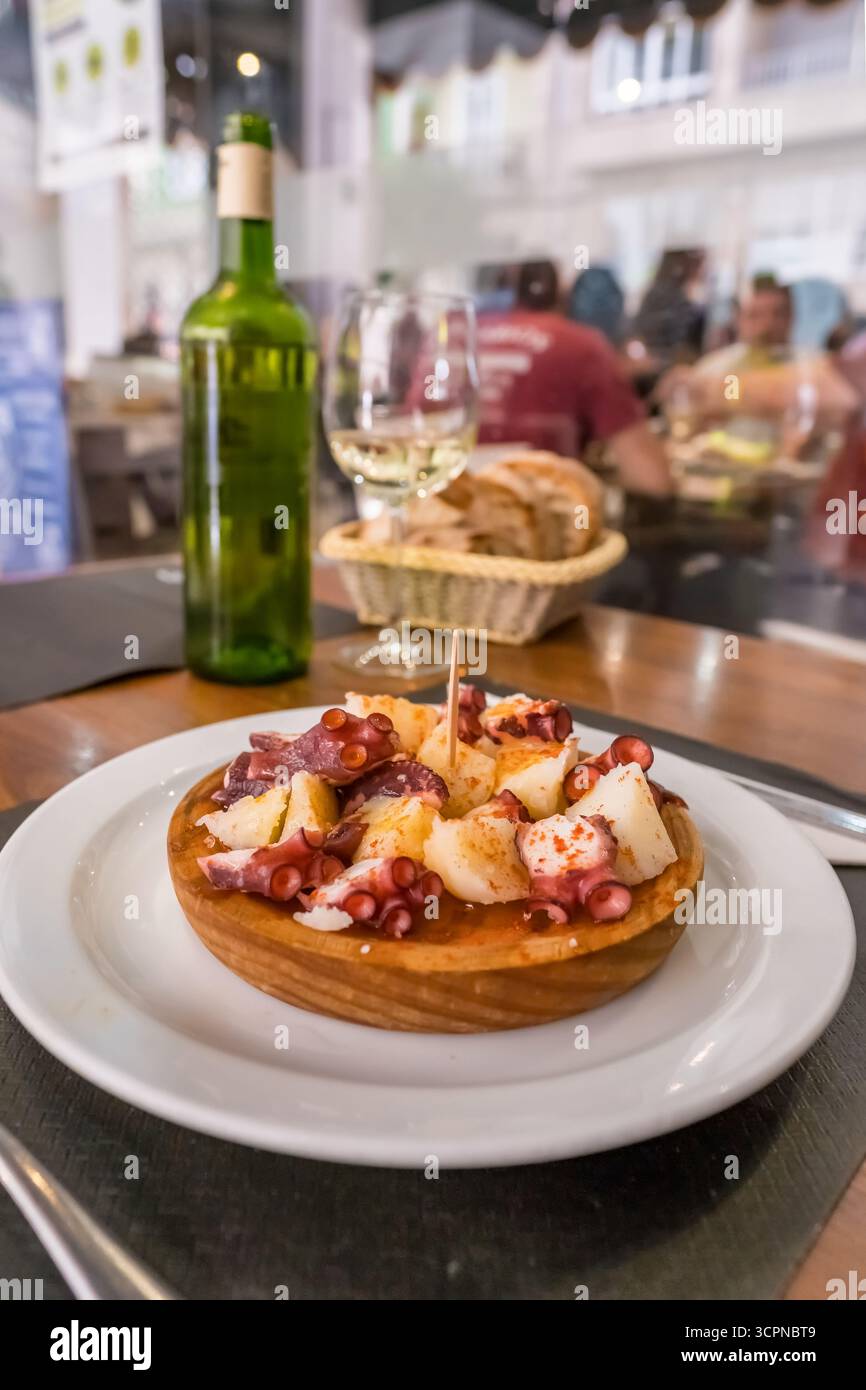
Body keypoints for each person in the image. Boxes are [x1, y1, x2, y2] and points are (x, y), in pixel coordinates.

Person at [476, 259, 671, 495]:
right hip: (537, 511)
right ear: (563, 290)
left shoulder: (455, 334)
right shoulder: (583, 346)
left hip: (444, 515)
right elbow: (652, 479)